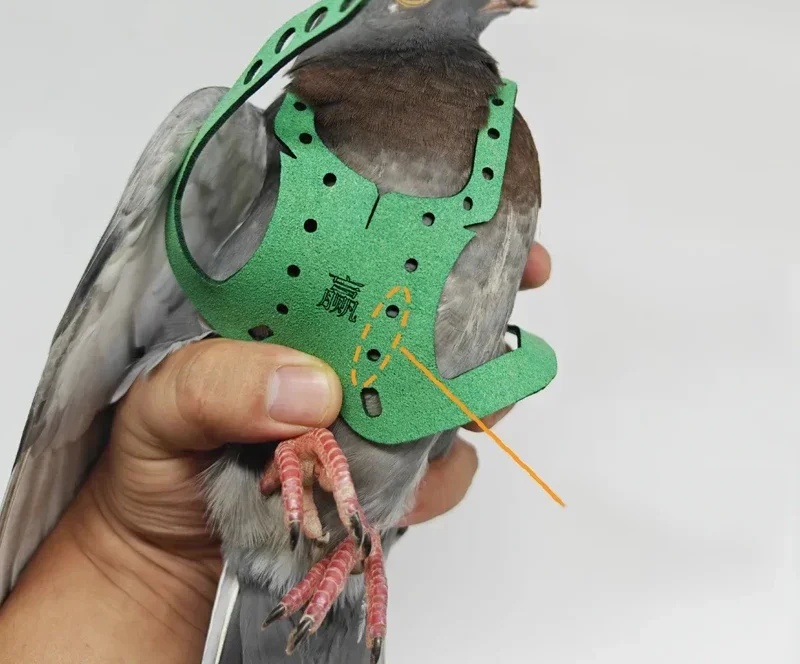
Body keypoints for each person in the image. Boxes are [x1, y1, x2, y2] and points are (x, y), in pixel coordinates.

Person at [0, 244, 552, 663]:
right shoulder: (276, 145)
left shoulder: (498, 173)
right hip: (238, 495)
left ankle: (356, 542)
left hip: (324, 534)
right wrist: (132, 550)